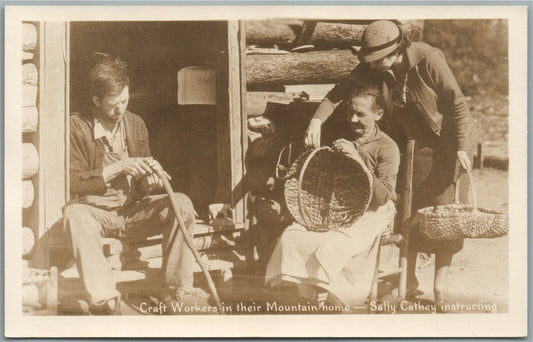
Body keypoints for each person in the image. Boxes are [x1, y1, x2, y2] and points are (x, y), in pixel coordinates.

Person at [304, 20, 477, 311]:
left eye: (378, 61)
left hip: (443, 145)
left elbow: (457, 104)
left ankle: (441, 287)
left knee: (442, 214)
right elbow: (338, 92)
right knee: (405, 214)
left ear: (396, 50)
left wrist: (462, 147)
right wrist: (316, 119)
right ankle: (407, 283)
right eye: (370, 61)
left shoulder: (428, 59)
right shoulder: (373, 67)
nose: (373, 67)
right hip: (405, 145)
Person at [64, 53, 206, 314]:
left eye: (125, 101)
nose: (120, 109)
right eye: (113, 104)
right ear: (95, 101)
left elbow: (145, 187)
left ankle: (179, 291)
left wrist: (152, 178)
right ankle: (105, 298)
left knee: (181, 203)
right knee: (74, 214)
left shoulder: (135, 123)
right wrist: (118, 167)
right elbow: (73, 182)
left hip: (132, 211)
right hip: (97, 213)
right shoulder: (76, 127)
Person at [265, 85, 400, 308]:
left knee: (333, 243)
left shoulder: (387, 147)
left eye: (361, 114)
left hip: (374, 211)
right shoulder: (343, 137)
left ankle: (334, 295)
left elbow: (383, 197)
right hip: (341, 205)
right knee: (291, 235)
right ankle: (307, 294)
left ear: (379, 115)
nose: (353, 119)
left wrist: (357, 158)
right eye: (350, 113)